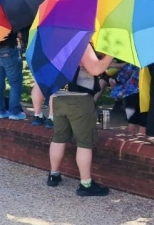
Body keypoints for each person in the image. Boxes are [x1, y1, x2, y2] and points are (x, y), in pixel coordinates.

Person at [47, 44, 114, 196]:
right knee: (84, 142)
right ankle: (85, 184)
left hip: (59, 96)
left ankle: (54, 175)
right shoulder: (81, 42)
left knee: (58, 138)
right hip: (79, 99)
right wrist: (111, 53)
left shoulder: (56, 43)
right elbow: (96, 69)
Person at [0, 30, 25, 120]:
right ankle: (14, 112)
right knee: (15, 83)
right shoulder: (10, 17)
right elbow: (20, 35)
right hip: (8, 50)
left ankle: (0, 111)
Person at [110, 64, 146, 135]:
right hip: (146, 94)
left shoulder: (132, 63)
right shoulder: (153, 64)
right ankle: (141, 141)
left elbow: (122, 76)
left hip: (131, 93)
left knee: (132, 121)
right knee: (144, 122)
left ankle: (130, 140)